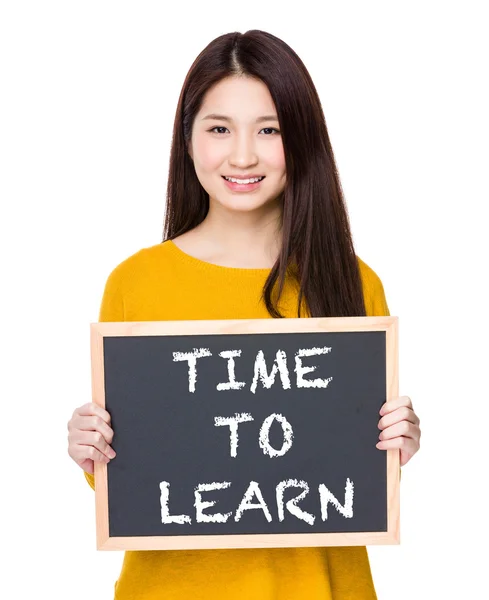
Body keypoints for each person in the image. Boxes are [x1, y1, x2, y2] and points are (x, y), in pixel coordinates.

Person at [67, 29, 421, 600]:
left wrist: (393, 447)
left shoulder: (354, 282)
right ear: (188, 140)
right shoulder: (136, 284)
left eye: (270, 129)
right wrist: (93, 450)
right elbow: (138, 478)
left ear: (301, 140)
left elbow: (351, 476)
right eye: (219, 129)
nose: (242, 155)